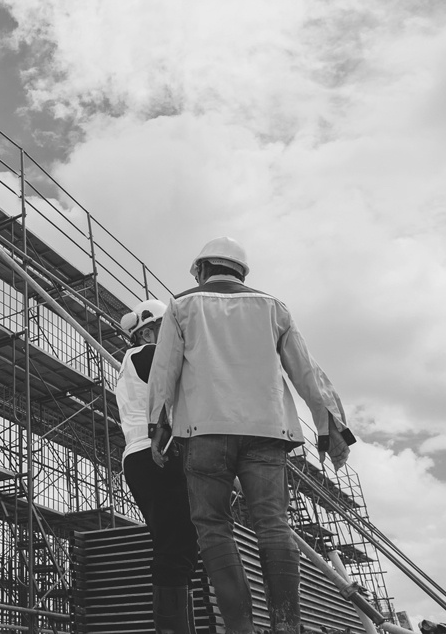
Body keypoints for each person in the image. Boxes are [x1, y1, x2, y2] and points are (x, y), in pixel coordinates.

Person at [147, 237, 356, 634]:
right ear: (241, 271)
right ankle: (285, 626)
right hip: (266, 432)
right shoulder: (273, 308)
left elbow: (164, 371)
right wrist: (332, 426)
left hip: (204, 431)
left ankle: (240, 628)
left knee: (213, 527)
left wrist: (158, 427)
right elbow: (307, 372)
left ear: (204, 267)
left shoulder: (182, 305)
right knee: (273, 524)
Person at [117, 299, 198, 633]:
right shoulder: (146, 354)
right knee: (175, 547)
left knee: (179, 545)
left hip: (146, 456)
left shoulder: (137, 360)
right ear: (148, 331)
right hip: (156, 453)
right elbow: (185, 385)